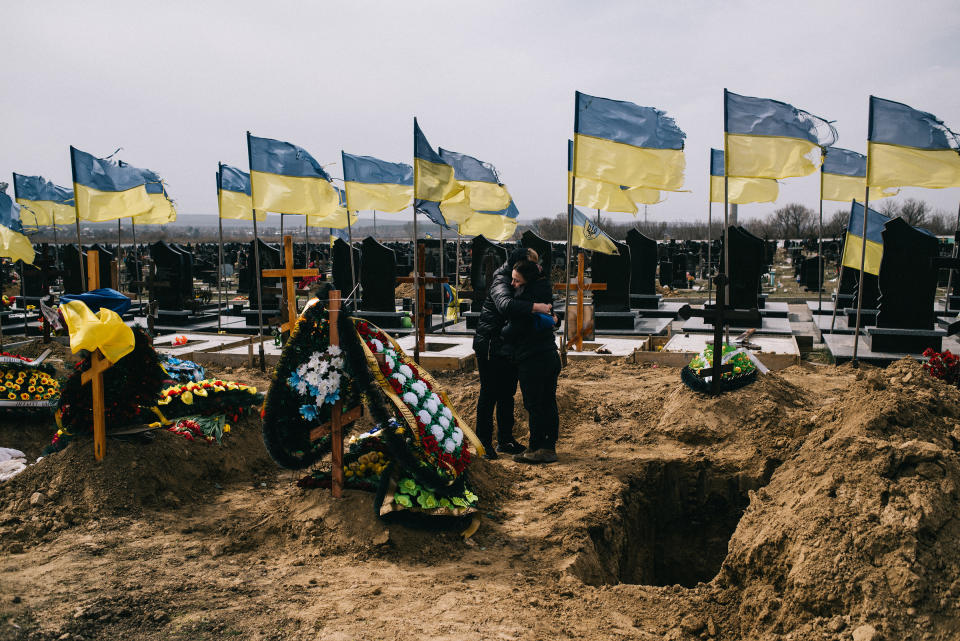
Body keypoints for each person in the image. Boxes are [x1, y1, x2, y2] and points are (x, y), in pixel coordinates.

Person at [472, 247, 551, 459]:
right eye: (532, 264)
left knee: (507, 393)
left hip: (506, 345)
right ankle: (483, 443)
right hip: (489, 343)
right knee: (489, 394)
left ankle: (505, 440)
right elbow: (505, 305)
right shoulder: (502, 280)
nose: (537, 268)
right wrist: (536, 307)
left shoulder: (521, 279)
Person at [501, 257, 561, 464]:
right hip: (548, 355)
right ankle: (545, 445)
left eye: (517, 281)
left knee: (535, 404)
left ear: (527, 281)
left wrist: (502, 332)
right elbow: (554, 318)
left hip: (533, 358)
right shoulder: (541, 297)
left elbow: (514, 329)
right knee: (547, 401)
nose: (512, 284)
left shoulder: (528, 302)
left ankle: (538, 447)